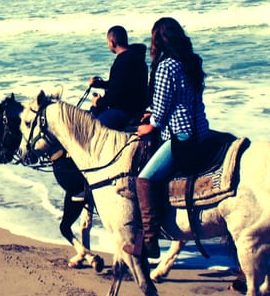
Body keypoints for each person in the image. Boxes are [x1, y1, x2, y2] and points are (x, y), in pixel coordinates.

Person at [129, 17, 210, 259]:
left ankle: (149, 242)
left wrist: (150, 125)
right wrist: (154, 113)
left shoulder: (166, 66)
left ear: (159, 40)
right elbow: (181, 101)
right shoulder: (190, 62)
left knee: (144, 179)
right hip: (201, 130)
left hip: (181, 137)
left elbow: (163, 111)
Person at [89, 26, 148, 130]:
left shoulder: (122, 62)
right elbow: (122, 84)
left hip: (124, 110)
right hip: (137, 106)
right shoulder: (136, 56)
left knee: (92, 128)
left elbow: (114, 95)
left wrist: (97, 102)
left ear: (112, 42)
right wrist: (100, 84)